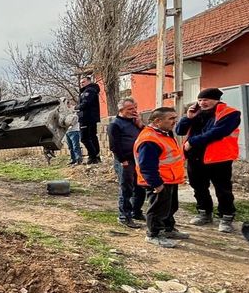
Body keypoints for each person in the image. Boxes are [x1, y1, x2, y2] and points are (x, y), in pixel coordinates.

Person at [175, 88, 241, 233]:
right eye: (200, 100)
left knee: (223, 189)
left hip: (219, 158)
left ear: (216, 99)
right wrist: (188, 117)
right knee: (198, 186)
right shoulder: (197, 113)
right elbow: (179, 130)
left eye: (205, 100)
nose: (202, 103)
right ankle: (204, 212)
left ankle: (226, 216)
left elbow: (217, 133)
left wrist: (192, 142)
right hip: (195, 157)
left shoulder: (231, 113)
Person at [135, 107, 190, 248]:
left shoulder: (164, 133)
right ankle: (154, 234)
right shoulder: (149, 139)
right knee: (157, 209)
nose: (175, 121)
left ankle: (168, 229)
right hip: (159, 181)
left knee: (170, 207)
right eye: (171, 118)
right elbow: (146, 165)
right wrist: (156, 184)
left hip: (170, 179)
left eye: (175, 118)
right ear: (158, 121)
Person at [108, 98, 146, 227]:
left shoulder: (135, 123)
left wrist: (140, 124)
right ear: (121, 110)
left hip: (138, 160)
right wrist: (122, 160)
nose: (134, 111)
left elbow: (146, 136)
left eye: (135, 107)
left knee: (140, 188)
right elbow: (114, 145)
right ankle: (124, 216)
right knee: (126, 189)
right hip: (125, 161)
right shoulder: (115, 124)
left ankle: (136, 212)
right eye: (130, 109)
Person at [76, 75, 102, 164]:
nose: (81, 84)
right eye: (80, 83)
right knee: (91, 137)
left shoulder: (90, 91)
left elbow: (85, 103)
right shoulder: (85, 91)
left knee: (85, 138)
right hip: (85, 117)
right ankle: (95, 156)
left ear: (88, 81)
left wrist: (76, 107)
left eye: (83, 82)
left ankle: (93, 156)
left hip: (88, 118)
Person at [62, 98, 83, 165]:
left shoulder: (74, 110)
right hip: (67, 132)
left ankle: (78, 159)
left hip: (74, 131)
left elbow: (74, 120)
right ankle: (73, 159)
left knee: (75, 146)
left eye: (67, 103)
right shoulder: (63, 112)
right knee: (70, 147)